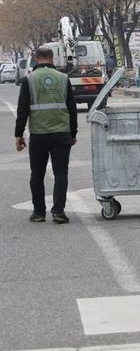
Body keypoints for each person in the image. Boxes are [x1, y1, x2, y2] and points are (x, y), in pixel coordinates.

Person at [14, 47, 78, 224]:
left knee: (37, 174)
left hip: (39, 134)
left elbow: (23, 109)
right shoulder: (63, 79)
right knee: (61, 173)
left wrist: (18, 135)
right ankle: (58, 212)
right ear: (52, 59)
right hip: (61, 133)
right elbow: (72, 108)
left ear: (36, 58)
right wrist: (73, 132)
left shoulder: (29, 79)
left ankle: (39, 212)